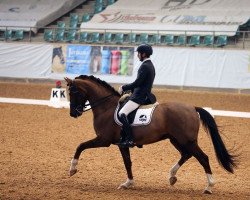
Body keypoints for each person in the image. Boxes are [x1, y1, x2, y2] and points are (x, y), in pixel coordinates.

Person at [117, 44, 156, 148]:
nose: (137, 55)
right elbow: (142, 83)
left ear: (143, 54)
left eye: (138, 53)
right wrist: (131, 90)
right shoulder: (150, 65)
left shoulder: (145, 66)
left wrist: (124, 87)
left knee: (122, 113)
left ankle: (130, 139)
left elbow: (138, 83)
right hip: (141, 94)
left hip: (139, 97)